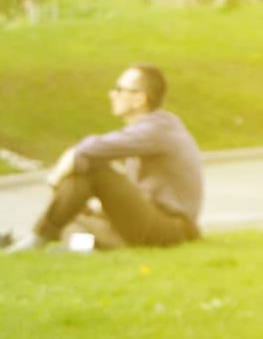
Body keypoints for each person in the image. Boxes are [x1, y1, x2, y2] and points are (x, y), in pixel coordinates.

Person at [13, 64, 202, 250]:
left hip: (170, 227)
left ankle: (40, 238)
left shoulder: (158, 128)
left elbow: (87, 150)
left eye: (119, 89)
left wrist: (56, 177)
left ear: (139, 99)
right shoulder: (145, 132)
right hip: (148, 224)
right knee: (72, 216)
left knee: (94, 171)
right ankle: (80, 249)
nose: (112, 94)